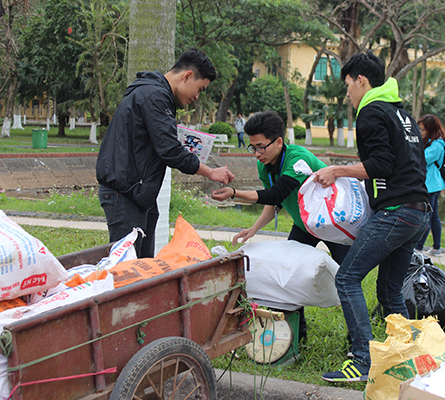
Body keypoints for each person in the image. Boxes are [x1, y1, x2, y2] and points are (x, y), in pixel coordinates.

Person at [311, 51, 431, 382]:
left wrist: (337, 170)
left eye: (348, 85)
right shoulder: (400, 113)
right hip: (418, 212)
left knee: (347, 278)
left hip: (396, 212)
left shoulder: (371, 112)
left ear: (361, 81)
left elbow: (381, 165)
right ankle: (405, 357)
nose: (347, 94)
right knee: (390, 291)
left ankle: (363, 359)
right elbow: (400, 162)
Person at [211, 110, 350, 341]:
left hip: (333, 225)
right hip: (304, 226)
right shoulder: (264, 165)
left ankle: (356, 343)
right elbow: (275, 202)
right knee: (290, 274)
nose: (256, 154)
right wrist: (254, 229)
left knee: (347, 280)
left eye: (261, 147)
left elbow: (277, 193)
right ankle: (296, 337)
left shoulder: (298, 159)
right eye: (252, 147)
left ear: (278, 142)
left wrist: (235, 193)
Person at [96, 49, 234, 258]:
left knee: (143, 267)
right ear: (187, 76)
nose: (197, 97)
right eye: (199, 89)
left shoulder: (155, 95)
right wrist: (210, 172)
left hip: (138, 193)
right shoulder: (155, 95)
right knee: (128, 271)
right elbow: (169, 150)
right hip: (125, 193)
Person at [414, 114, 445, 257]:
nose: (420, 132)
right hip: (431, 184)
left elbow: (420, 160)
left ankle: (418, 248)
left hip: (430, 186)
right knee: (433, 216)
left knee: (427, 217)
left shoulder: (436, 145)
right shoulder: (431, 142)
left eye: (422, 130)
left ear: (430, 129)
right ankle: (436, 248)